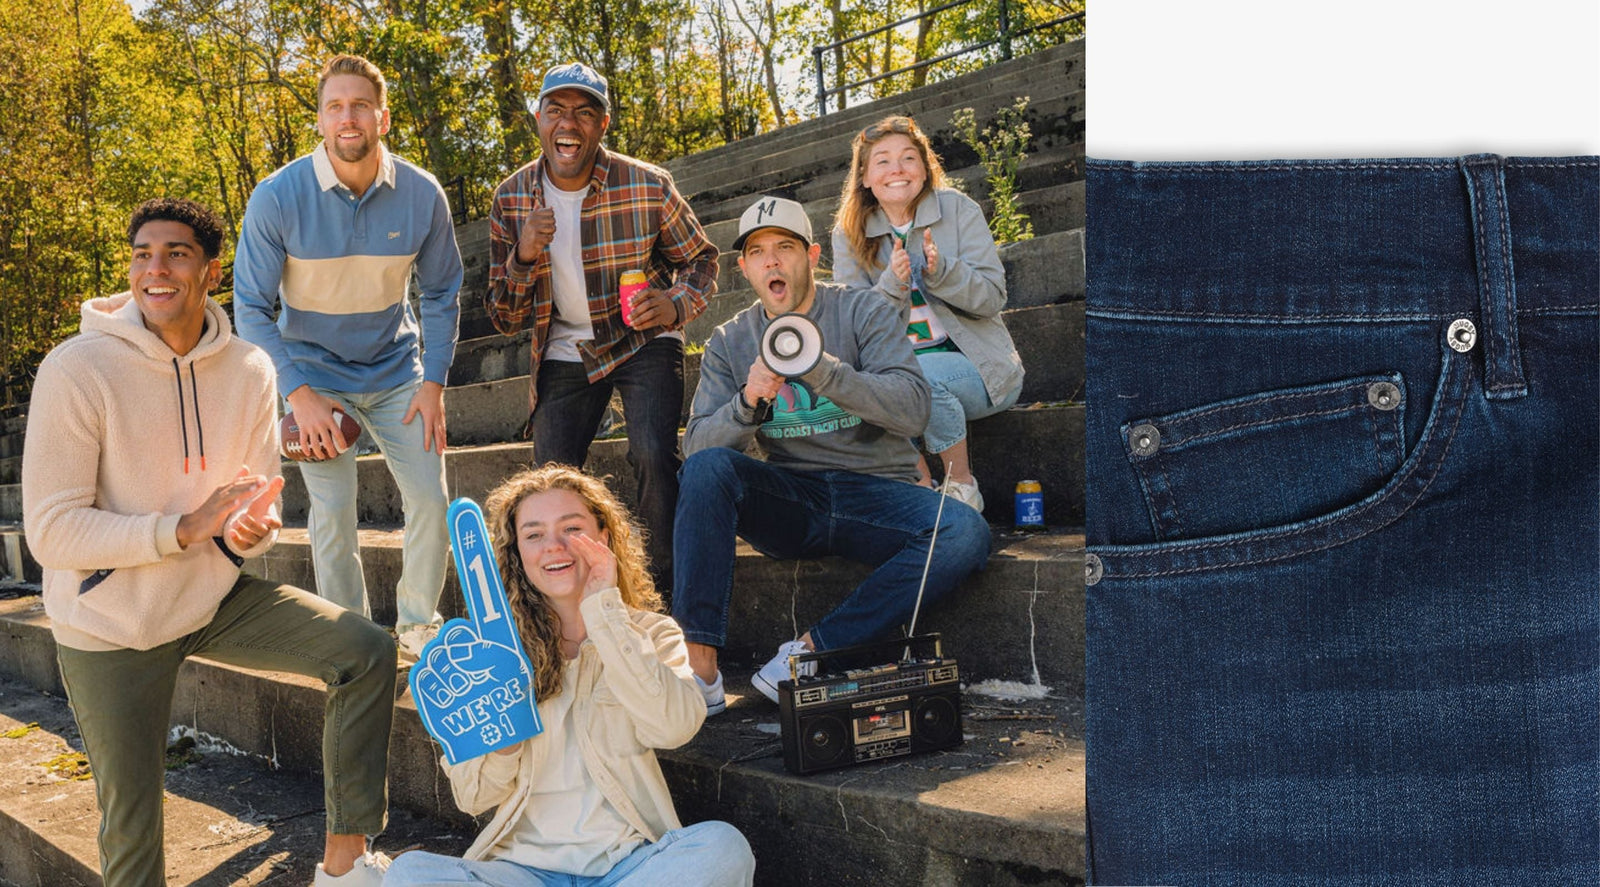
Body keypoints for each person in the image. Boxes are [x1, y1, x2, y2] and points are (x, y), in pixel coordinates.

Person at [21, 198, 396, 887]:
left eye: (176, 254)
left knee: (365, 650)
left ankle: (346, 863)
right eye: (143, 255)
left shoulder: (250, 367)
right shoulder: (76, 368)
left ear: (211, 272)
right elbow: (51, 530)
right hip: (108, 623)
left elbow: (255, 501)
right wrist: (183, 528)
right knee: (132, 831)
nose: (155, 269)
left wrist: (251, 530)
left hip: (208, 595)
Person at [672, 196, 991, 713]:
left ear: (812, 255)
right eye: (758, 252)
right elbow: (696, 450)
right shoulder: (730, 341)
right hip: (794, 497)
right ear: (744, 268)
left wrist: (824, 370)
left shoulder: (862, 309)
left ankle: (811, 652)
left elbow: (913, 411)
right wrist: (747, 402)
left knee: (965, 532)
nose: (772, 262)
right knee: (708, 468)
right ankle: (701, 673)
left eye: (784, 247)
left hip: (877, 493)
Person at [384, 465, 755, 886]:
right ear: (517, 553)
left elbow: (674, 728)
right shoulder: (493, 653)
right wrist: (505, 726)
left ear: (604, 538)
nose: (554, 546)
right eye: (534, 534)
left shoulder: (651, 633)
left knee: (723, 847)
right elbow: (473, 797)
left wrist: (605, 614)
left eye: (572, 528)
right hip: (522, 873)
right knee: (408, 875)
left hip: (630, 865)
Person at [234, 54, 463, 659]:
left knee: (431, 500)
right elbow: (250, 308)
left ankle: (417, 628)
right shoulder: (277, 197)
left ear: (382, 117)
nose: (348, 117)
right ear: (320, 120)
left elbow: (442, 292)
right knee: (332, 511)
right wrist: (297, 394)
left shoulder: (422, 194)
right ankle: (355, 641)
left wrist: (435, 383)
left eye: (360, 105)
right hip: (314, 377)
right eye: (335, 106)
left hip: (398, 371)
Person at [485, 62, 718, 593]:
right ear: (538, 119)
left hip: (643, 337)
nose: (569, 123)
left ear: (603, 124)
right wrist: (523, 254)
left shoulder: (647, 183)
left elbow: (702, 260)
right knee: (550, 477)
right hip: (564, 346)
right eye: (556, 110)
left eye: (585, 113)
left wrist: (674, 304)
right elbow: (504, 315)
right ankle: (562, 600)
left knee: (653, 452)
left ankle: (659, 597)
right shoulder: (512, 198)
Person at [831, 115, 1024, 513]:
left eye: (908, 158)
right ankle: (920, 485)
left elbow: (992, 297)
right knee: (856, 384)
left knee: (917, 378)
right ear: (865, 177)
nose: (897, 169)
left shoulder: (958, 210)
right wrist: (892, 285)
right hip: (898, 376)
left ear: (924, 168)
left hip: (980, 370)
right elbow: (852, 328)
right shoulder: (849, 232)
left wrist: (944, 273)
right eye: (882, 161)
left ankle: (962, 487)